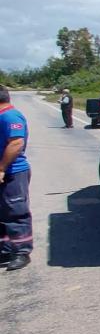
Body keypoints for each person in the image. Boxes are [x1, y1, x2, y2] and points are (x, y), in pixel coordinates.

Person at [0, 88, 33, 271]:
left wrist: (1, 168)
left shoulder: (10, 117)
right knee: (2, 213)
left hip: (13, 172)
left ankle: (21, 252)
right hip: (4, 171)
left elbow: (16, 143)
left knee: (15, 211)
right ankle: (5, 249)